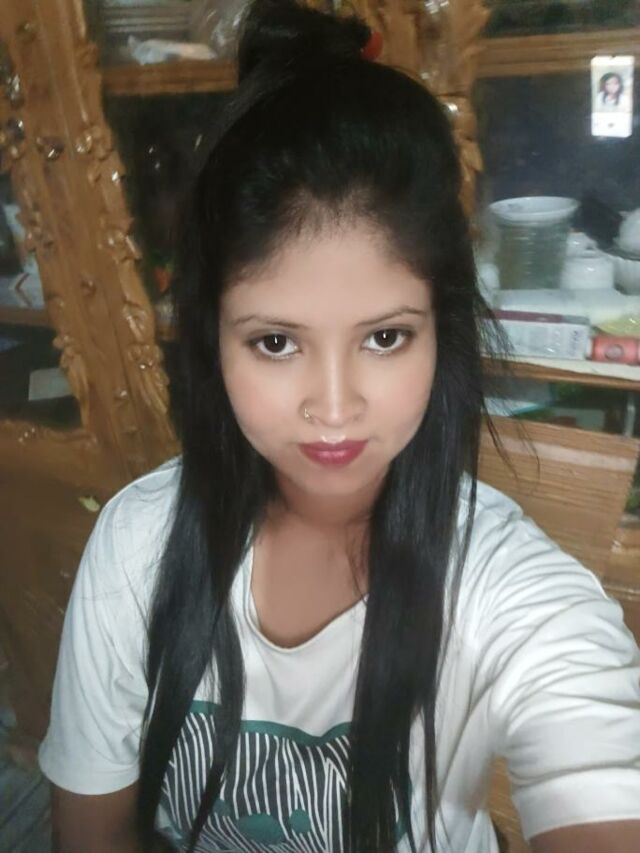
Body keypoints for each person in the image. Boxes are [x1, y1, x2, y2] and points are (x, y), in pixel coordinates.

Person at [39, 1, 640, 851]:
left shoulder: (516, 599)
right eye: (276, 341)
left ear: (442, 329)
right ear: (213, 339)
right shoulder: (137, 547)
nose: (332, 407)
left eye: (385, 337)